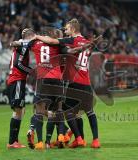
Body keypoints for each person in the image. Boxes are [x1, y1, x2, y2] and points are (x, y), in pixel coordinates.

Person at [35, 18, 101, 148]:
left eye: (67, 28)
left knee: (66, 111)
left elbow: (52, 41)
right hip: (86, 82)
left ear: (73, 29)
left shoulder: (71, 41)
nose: (65, 30)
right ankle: (95, 140)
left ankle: (78, 138)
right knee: (89, 112)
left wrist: (36, 36)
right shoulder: (88, 43)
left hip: (74, 82)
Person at [6, 28, 34, 149]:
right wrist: (31, 71)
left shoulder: (19, 45)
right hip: (17, 80)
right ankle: (12, 142)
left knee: (21, 111)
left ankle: (14, 141)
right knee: (18, 110)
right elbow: (18, 63)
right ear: (30, 36)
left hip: (16, 80)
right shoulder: (24, 45)